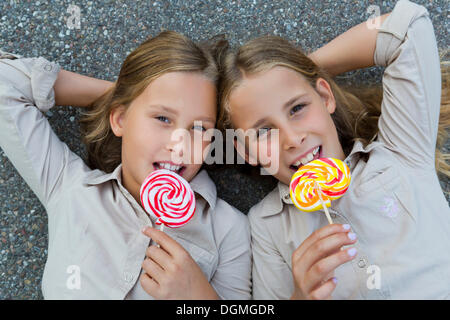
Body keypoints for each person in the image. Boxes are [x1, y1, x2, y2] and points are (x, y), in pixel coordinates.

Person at [217, 0, 450, 299]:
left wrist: (303, 68)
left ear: (325, 97)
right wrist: (300, 295)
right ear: (246, 151)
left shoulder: (400, 150)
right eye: (264, 132)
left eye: (298, 107)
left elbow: (408, 28)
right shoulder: (266, 227)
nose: (292, 138)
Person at [0, 31, 251, 299]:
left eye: (200, 128)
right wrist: (126, 96)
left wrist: (199, 298)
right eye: (163, 118)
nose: (180, 145)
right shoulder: (68, 187)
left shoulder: (228, 229)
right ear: (119, 120)